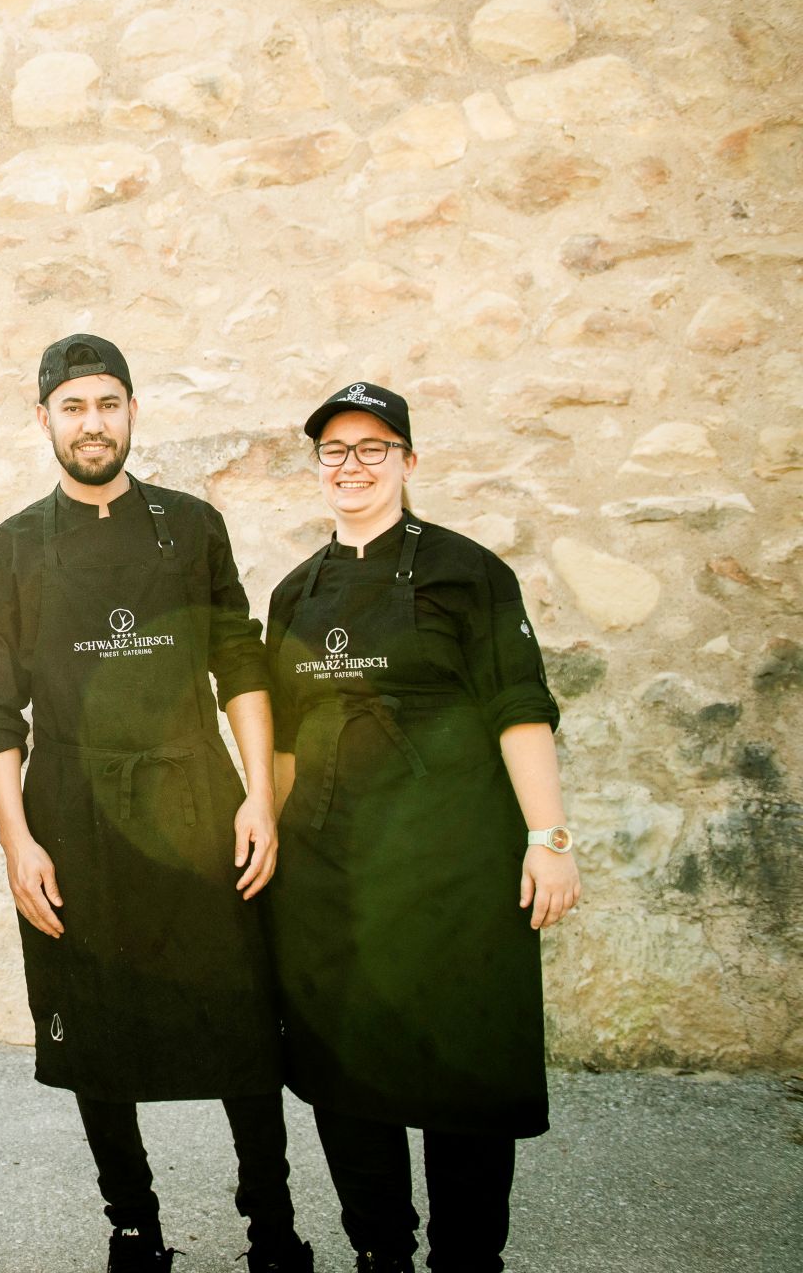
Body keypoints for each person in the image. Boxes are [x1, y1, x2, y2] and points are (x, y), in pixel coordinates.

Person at [0, 333, 312, 1273]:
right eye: (72, 407)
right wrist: (17, 842)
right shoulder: (11, 551)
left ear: (132, 413)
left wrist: (259, 800)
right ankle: (133, 1225)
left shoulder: (192, 527)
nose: (92, 423)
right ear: (43, 420)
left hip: (196, 793)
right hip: (74, 808)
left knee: (239, 1017)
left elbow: (240, 659)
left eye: (107, 403)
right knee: (96, 1023)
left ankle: (271, 1227)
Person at [264, 382, 583, 1273]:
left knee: (462, 1074)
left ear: (408, 461)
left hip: (457, 868)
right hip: (331, 878)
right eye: (335, 450)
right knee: (346, 1075)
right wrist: (272, 841)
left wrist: (548, 838)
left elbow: (519, 707)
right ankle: (381, 1253)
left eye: (373, 449)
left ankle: (468, 1259)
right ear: (318, 467)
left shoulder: (468, 571)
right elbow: (285, 743)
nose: (351, 467)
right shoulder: (294, 593)